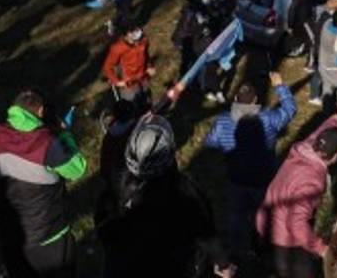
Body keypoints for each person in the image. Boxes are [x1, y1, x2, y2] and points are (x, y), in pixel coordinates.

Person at [96, 115, 236, 278]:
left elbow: (103, 221)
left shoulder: (119, 181)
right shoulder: (183, 192)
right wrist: (222, 263)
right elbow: (205, 233)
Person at [0, 90, 88, 277]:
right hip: (49, 238)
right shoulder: (47, 143)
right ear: (40, 111)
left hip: (11, 237)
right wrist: (64, 134)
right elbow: (77, 169)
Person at [203, 71, 297, 256]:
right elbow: (290, 110)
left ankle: (237, 248)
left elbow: (210, 143)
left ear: (236, 99)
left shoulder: (223, 120)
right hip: (263, 179)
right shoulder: (269, 118)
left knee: (236, 214)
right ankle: (261, 246)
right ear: (255, 101)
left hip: (236, 177)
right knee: (263, 214)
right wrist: (280, 85)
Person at [256, 112, 337, 278]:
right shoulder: (312, 180)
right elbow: (297, 224)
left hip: (266, 221)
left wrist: (336, 118)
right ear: (335, 156)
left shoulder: (305, 148)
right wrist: (322, 249)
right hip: (284, 237)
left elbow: (320, 130)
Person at [100, 24, 154, 107]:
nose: (137, 40)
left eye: (138, 31)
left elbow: (146, 54)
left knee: (147, 101)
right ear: (127, 34)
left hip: (143, 77)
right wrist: (117, 81)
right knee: (131, 106)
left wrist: (150, 66)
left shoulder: (143, 40)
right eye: (133, 32)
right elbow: (108, 67)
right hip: (128, 82)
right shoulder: (118, 48)